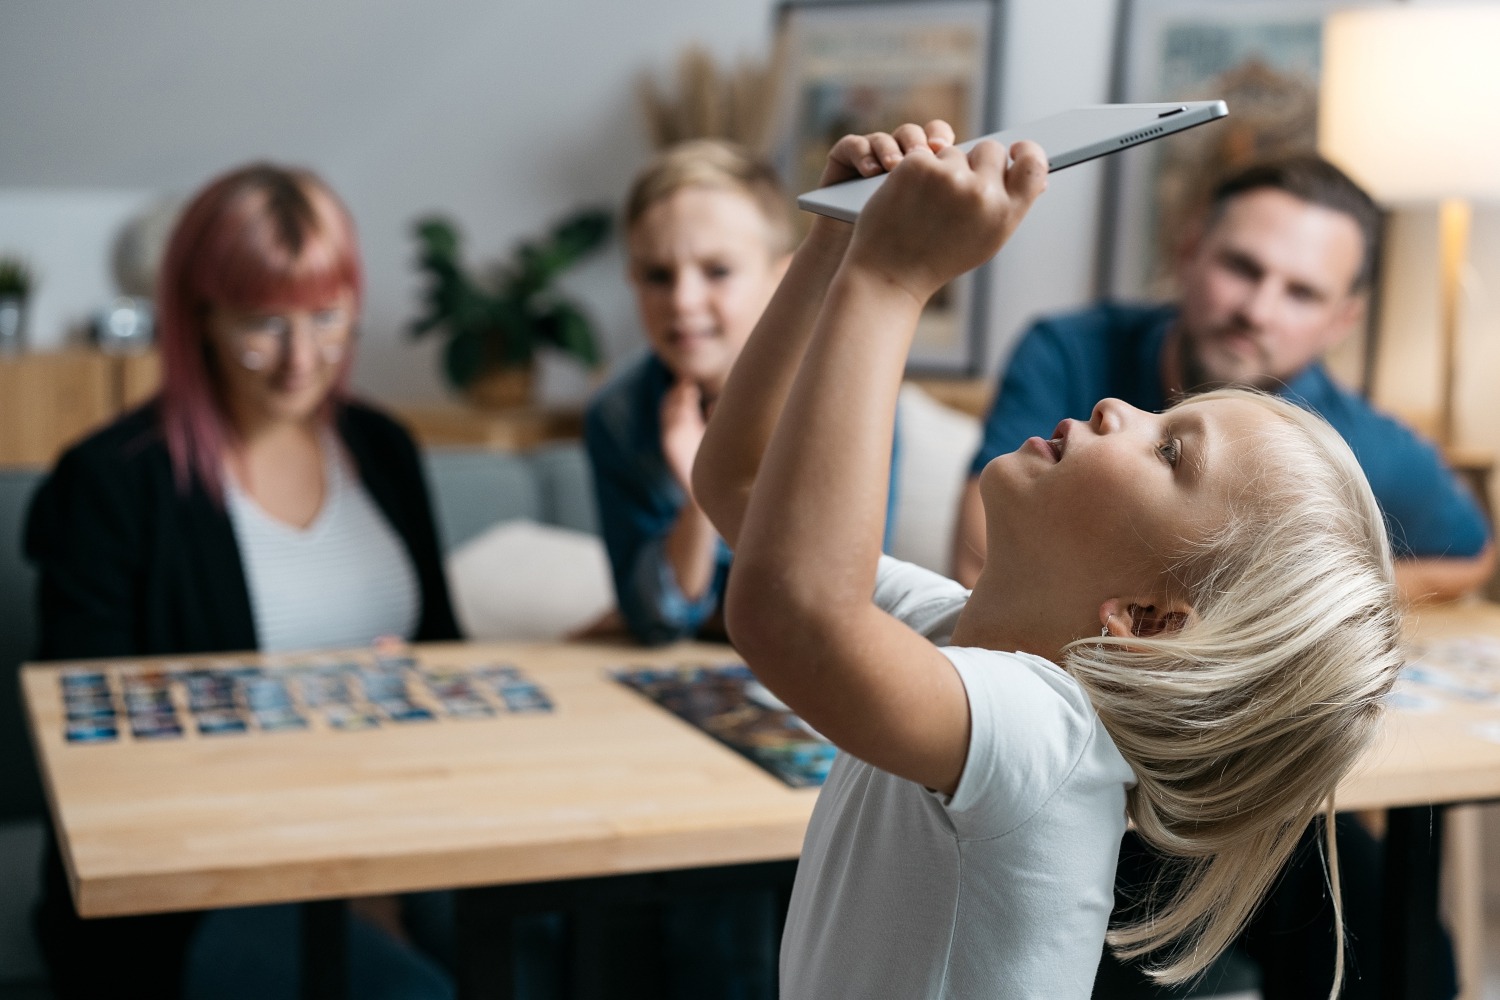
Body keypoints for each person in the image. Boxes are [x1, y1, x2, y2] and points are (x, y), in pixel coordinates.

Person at [691, 120, 1402, 998]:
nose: (1116, 409)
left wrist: (891, 276)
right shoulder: (957, 631)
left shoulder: (1051, 740)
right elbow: (741, 485)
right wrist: (835, 245)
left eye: (1170, 453)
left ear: (1146, 621)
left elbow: (791, 616)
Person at [26, 163, 459, 1000]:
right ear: (199, 318)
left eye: (327, 320)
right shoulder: (111, 483)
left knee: (546, 937)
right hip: (198, 879)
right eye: (264, 324)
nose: (303, 359)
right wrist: (335, 855)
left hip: (404, 832)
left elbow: (445, 658)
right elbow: (95, 744)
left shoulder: (385, 449)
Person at [952, 154, 1494, 603]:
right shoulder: (1068, 352)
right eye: (1242, 268)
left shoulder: (1361, 441)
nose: (1257, 311)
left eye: (1301, 293)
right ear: (1189, 254)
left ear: (1341, 321)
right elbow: (976, 560)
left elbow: (1471, 554)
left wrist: (1315, 605)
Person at [584, 139, 899, 646]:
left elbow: (834, 600)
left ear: (784, 275)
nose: (684, 302)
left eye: (717, 271)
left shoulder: (844, 396)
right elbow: (656, 621)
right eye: (658, 276)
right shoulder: (618, 415)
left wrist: (714, 476)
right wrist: (697, 501)